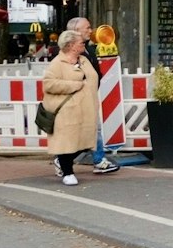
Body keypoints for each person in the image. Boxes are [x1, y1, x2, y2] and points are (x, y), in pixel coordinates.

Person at [39, 31, 100, 186]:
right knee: (66, 142)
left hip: (86, 109)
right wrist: (74, 85)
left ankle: (62, 162)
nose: (84, 44)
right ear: (71, 45)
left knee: (86, 141)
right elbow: (49, 84)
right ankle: (68, 172)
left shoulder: (84, 60)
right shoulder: (57, 63)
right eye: (80, 42)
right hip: (66, 111)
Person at [65, 16, 119, 175]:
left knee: (90, 129)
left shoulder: (89, 49)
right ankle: (95, 160)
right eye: (87, 28)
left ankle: (95, 159)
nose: (91, 30)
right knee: (88, 129)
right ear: (76, 31)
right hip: (78, 98)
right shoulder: (70, 53)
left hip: (88, 96)